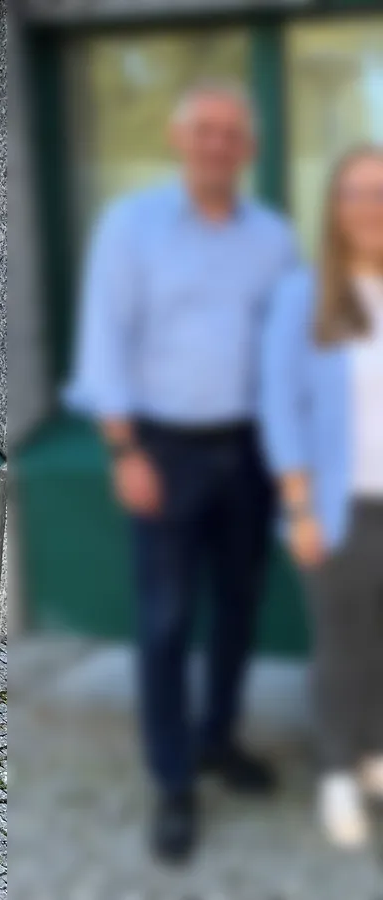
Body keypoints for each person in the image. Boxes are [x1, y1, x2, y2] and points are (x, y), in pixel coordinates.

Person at [63, 80, 301, 863]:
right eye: (205, 132)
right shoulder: (134, 228)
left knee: (238, 607)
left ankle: (216, 741)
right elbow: (104, 344)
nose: (218, 146)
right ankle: (172, 781)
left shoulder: (270, 236)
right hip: (163, 450)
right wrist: (126, 450)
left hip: (254, 451)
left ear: (249, 149)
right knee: (165, 622)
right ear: (179, 139)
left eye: (232, 134)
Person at [259, 145, 383, 850]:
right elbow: (281, 409)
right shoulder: (303, 297)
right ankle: (338, 772)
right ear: (337, 210)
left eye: (382, 193)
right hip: (336, 508)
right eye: (357, 194)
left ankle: (372, 754)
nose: (371, 208)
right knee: (342, 646)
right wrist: (300, 507)